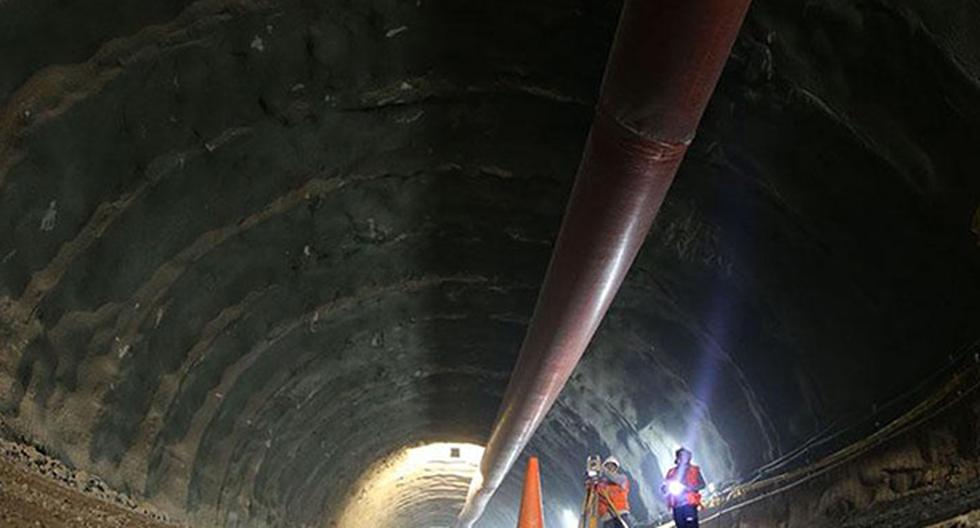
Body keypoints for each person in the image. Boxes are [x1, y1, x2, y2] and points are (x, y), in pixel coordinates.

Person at [661, 447, 706, 528]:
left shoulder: (694, 470)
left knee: (692, 526)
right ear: (678, 458)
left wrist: (689, 488)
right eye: (682, 456)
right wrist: (665, 488)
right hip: (677, 506)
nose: (684, 458)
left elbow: (702, 484)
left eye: (686, 456)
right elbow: (664, 486)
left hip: (689, 504)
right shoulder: (671, 472)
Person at [596, 456, 631, 528]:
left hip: (621, 514)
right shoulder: (601, 484)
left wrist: (604, 471)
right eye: (608, 466)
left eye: (612, 466)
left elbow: (613, 478)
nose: (609, 468)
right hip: (607, 518)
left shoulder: (622, 479)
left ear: (616, 468)